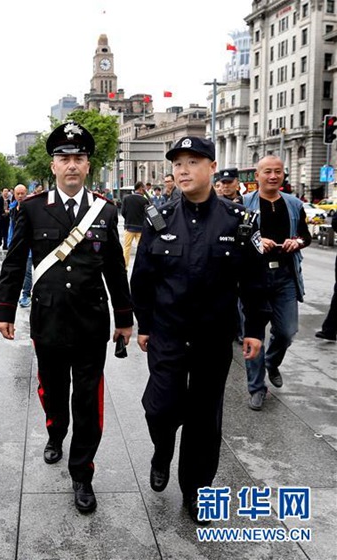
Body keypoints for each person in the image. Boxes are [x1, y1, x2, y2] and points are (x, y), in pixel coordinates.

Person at [0, 121, 133, 515]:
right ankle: (56, 432)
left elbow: (114, 269)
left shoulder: (105, 211)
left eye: (78, 158)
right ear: (53, 165)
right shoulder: (32, 208)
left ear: (88, 165)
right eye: (64, 158)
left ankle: (82, 474)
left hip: (91, 321)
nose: (71, 165)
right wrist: (5, 310)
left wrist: (124, 318)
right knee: (54, 391)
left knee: (88, 400)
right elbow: (15, 259)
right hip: (49, 319)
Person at [131, 136, 268, 525]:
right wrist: (144, 324)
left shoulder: (239, 221)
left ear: (211, 167)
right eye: (178, 163)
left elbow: (254, 281)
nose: (183, 170)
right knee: (160, 408)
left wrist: (254, 328)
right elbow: (142, 278)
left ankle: (196, 492)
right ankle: (162, 450)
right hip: (168, 334)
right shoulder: (159, 219)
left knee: (205, 418)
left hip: (212, 336)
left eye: (193, 162)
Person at [242, 155, 311, 410]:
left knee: (286, 331)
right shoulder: (245, 204)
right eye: (268, 171)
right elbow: (238, 234)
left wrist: (298, 242)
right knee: (253, 333)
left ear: (284, 175)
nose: (273, 176)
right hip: (253, 277)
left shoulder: (293, 204)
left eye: (278, 172)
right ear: (257, 176)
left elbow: (305, 235)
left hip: (285, 276)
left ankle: (272, 361)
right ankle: (256, 387)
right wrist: (257, 240)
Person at [120, 181, 150, 268]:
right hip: (141, 228)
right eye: (143, 188)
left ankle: (125, 266)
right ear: (141, 188)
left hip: (129, 226)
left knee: (127, 247)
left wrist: (128, 219)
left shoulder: (126, 198)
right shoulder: (144, 200)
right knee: (141, 248)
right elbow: (148, 213)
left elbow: (123, 212)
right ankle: (142, 265)